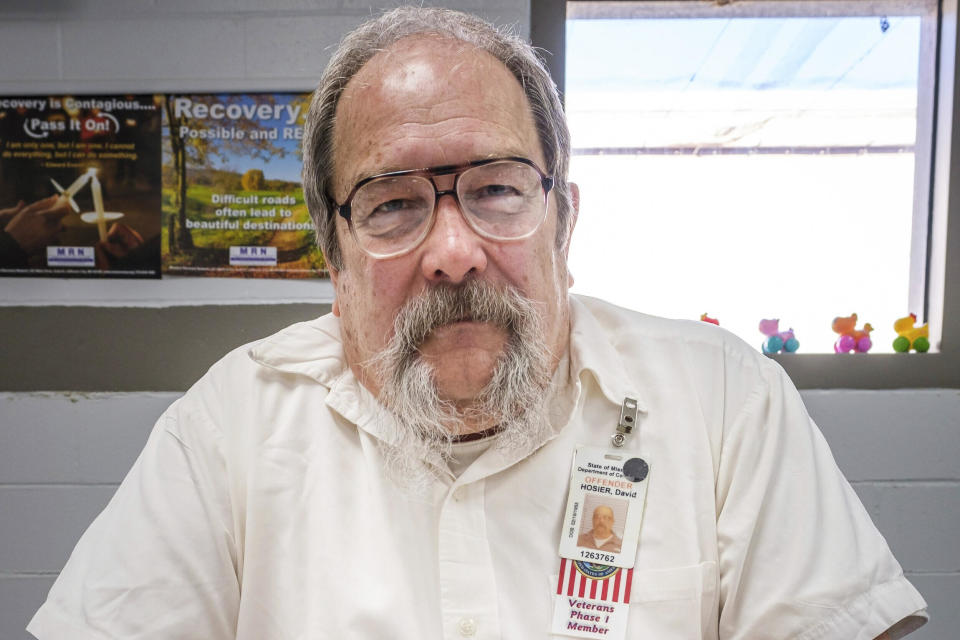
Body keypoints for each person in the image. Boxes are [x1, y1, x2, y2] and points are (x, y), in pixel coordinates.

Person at [29, 7, 927, 640]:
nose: (452, 252)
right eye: (391, 205)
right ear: (334, 261)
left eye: (496, 189)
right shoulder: (229, 426)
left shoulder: (728, 402)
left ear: (563, 223)